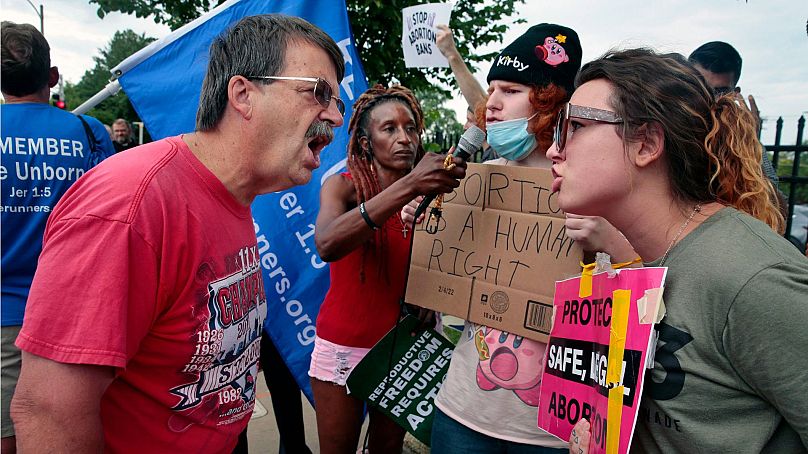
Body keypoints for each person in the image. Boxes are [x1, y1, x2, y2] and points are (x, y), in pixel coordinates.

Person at [10, 14, 345, 452]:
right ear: (243, 94)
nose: (336, 117)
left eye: (337, 102)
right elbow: (48, 412)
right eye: (318, 92)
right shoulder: (128, 207)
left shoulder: (237, 194)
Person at [548, 48, 808, 452]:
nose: (554, 150)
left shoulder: (754, 279)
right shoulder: (620, 260)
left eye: (575, 127)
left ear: (647, 143)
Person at [405, 24, 635, 453]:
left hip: (548, 429)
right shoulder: (474, 182)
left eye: (509, 91)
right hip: (462, 410)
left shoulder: (594, 196)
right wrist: (425, 222)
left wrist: (609, 246)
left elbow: (631, 314)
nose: (490, 104)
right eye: (491, 90)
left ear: (548, 104)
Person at [310, 84, 466, 454]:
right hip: (344, 348)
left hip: (405, 349)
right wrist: (409, 185)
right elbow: (327, 244)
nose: (404, 138)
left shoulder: (436, 197)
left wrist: (430, 294)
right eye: (389, 129)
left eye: (411, 128)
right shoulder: (343, 188)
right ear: (366, 142)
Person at [0, 21, 114, 454]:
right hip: (80, 309)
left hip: (7, 312)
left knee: (9, 430)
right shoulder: (89, 133)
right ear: (52, 76)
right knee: (80, 427)